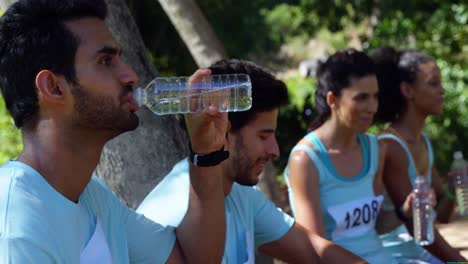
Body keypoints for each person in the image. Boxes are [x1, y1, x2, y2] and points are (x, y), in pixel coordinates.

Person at [0, 0, 228, 263]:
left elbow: (192, 259)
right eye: (106, 61)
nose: (131, 75)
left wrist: (207, 153)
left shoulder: (92, 197)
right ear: (53, 87)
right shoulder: (17, 228)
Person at [138, 59, 366, 263]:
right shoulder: (175, 213)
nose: (275, 150)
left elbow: (314, 252)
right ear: (222, 132)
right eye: (263, 136)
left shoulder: (240, 193)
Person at [284, 49, 407, 263]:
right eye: (361, 98)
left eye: (375, 97)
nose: (372, 107)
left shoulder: (376, 149)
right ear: (333, 100)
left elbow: (375, 225)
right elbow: (315, 248)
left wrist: (406, 210)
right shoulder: (306, 160)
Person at [372, 47, 467, 262]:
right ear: (407, 91)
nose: (442, 90)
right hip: (398, 257)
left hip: (422, 254)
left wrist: (453, 189)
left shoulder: (422, 141)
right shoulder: (391, 146)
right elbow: (415, 225)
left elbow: (441, 215)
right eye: (433, 83)